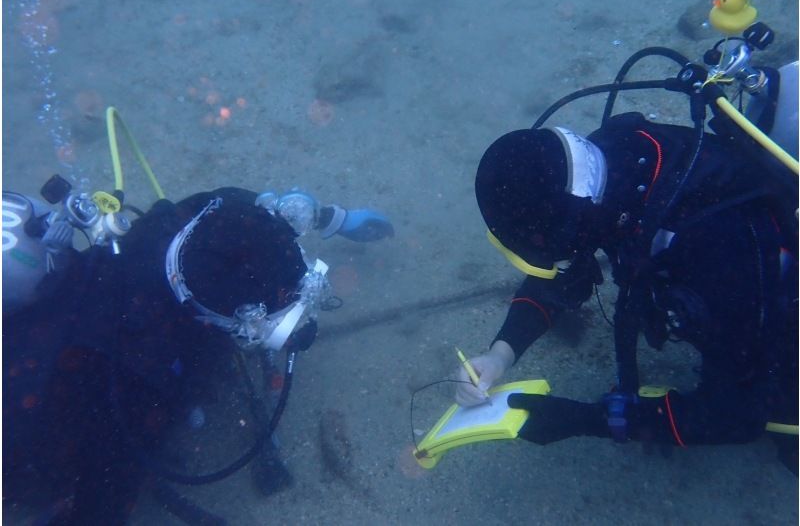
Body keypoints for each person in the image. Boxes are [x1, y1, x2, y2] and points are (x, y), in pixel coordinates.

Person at [455, 49, 798, 470]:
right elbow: (563, 276)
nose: (551, 258)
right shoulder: (607, 167)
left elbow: (736, 418)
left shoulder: (711, 251)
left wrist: (589, 421)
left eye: (546, 243)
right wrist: (499, 355)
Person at [3, 180, 393, 524]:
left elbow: (267, 208)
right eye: (271, 326)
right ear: (232, 322)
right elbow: (101, 505)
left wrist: (332, 218)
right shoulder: (128, 393)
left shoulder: (205, 213)